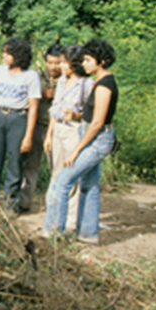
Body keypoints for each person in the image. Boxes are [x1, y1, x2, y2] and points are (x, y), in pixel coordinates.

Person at [42, 39, 118, 245]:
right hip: (95, 137)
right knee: (89, 185)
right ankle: (88, 234)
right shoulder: (101, 82)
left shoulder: (104, 85)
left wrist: (76, 150)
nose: (83, 64)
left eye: (87, 60)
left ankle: (53, 232)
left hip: (96, 140)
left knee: (62, 182)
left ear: (101, 61)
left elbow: (96, 123)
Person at [0, 37, 41, 212]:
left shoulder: (31, 76)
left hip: (18, 119)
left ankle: (10, 203)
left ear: (18, 55)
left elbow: (33, 107)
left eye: (8, 53)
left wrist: (28, 136)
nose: (4, 56)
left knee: (14, 162)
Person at [42, 44, 93, 232]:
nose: (61, 66)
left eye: (65, 62)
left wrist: (76, 116)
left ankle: (70, 222)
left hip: (74, 130)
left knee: (71, 175)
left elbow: (91, 114)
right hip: (58, 130)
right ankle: (52, 216)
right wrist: (49, 135)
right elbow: (55, 110)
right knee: (56, 172)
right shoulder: (62, 81)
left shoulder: (87, 84)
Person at [19, 43, 61, 210]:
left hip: (57, 128)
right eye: (50, 62)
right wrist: (42, 95)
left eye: (57, 63)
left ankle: (55, 205)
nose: (53, 67)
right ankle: (24, 202)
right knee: (30, 165)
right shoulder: (37, 77)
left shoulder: (68, 80)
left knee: (56, 168)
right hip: (36, 125)